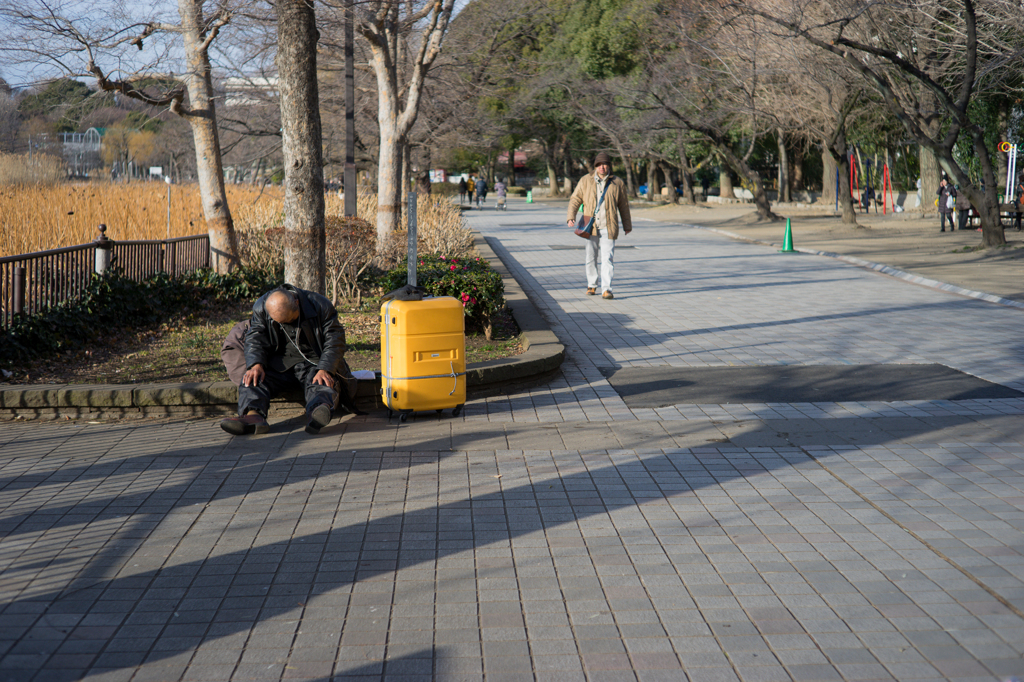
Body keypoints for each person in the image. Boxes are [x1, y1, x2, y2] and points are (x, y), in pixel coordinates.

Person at [219, 285, 354, 436]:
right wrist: (255, 364)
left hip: (314, 362)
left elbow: (335, 340)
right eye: (280, 322)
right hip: (277, 364)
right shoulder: (261, 306)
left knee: (322, 381)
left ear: (296, 302)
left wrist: (325, 368)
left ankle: (318, 411)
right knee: (252, 378)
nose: (287, 324)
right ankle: (253, 416)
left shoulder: (319, 304)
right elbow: (255, 337)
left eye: (291, 319)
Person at [566, 151, 632, 300]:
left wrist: (627, 225)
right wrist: (571, 216)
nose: (603, 167)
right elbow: (575, 198)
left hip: (609, 225)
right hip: (590, 225)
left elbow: (624, 205)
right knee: (591, 257)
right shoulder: (585, 180)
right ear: (596, 166)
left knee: (607, 258)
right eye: (600, 164)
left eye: (605, 164)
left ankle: (606, 289)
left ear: (609, 166)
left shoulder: (617, 183)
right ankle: (592, 284)